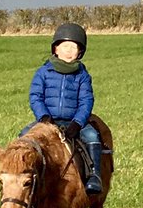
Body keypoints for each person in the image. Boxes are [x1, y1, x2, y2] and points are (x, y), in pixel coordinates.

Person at [25, 22, 103, 194]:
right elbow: (35, 96)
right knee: (23, 137)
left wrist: (77, 123)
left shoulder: (82, 75)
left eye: (73, 47)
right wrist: (44, 117)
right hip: (48, 121)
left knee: (93, 136)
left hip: (73, 121)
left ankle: (94, 175)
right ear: (56, 49)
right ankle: (26, 177)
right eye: (65, 46)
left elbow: (86, 100)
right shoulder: (43, 72)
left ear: (80, 52)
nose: (69, 51)